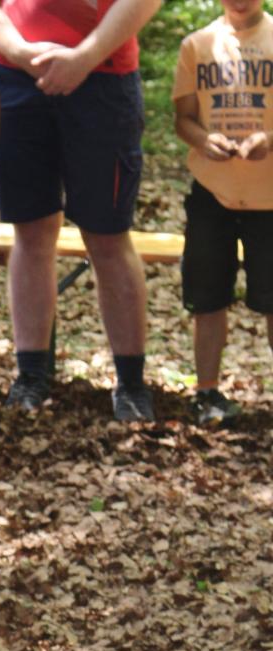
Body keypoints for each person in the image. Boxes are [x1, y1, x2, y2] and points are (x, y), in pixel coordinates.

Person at [0, 0, 161, 420]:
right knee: (31, 229)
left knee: (107, 235)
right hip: (15, 76)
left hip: (105, 78)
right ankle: (31, 376)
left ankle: (132, 385)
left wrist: (85, 56)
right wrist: (19, 50)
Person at [172, 0, 273, 425]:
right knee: (208, 298)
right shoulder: (198, 45)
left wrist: (269, 137)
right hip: (212, 192)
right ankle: (207, 393)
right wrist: (202, 141)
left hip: (269, 195)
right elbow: (183, 118)